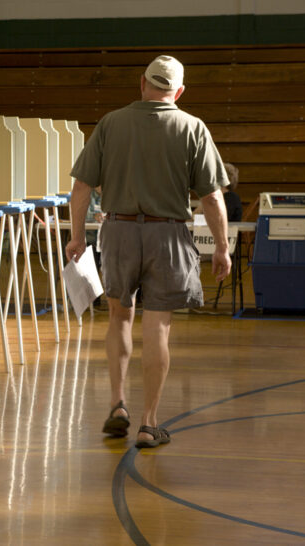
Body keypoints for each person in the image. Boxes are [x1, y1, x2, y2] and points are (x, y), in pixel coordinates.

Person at [65, 55, 231, 449]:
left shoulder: (110, 123)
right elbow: (211, 198)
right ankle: (148, 423)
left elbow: (81, 190)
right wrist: (222, 247)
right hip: (168, 235)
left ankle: (117, 404)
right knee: (157, 327)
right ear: (179, 91)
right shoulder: (193, 127)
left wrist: (75, 238)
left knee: (120, 319)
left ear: (142, 83)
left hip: (118, 231)